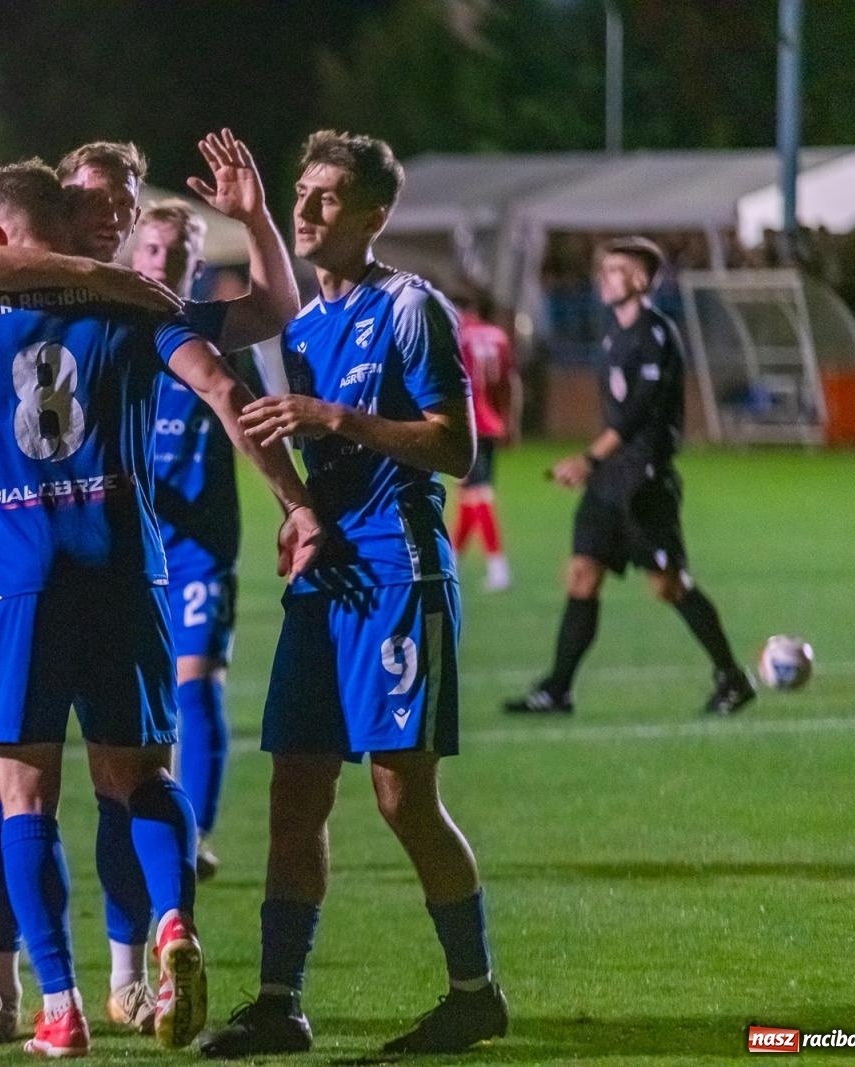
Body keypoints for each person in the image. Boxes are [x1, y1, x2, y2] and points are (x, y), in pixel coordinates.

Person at [0, 159, 322, 1058]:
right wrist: (297, 501)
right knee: (139, 778)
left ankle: (61, 1004)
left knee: (22, 796)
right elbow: (224, 389)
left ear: (1, 232)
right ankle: (171, 925)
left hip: (19, 582)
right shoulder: (135, 303)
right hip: (127, 573)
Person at [199, 130, 508, 1058]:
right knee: (295, 791)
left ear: (374, 216)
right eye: (301, 193)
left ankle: (474, 991)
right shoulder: (303, 327)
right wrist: (294, 509)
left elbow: (458, 450)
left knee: (401, 796)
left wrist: (337, 418)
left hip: (397, 573)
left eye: (326, 197)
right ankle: (280, 1001)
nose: (307, 209)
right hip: (321, 583)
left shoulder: (412, 307)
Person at [504, 236, 755, 716]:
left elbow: (637, 414)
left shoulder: (655, 334)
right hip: (610, 482)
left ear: (640, 280)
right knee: (582, 573)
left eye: (615, 270)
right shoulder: (612, 332)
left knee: (668, 584)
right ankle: (557, 689)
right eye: (603, 269)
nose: (604, 277)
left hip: (644, 481)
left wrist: (589, 459)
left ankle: (732, 677)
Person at [452, 288, 521, 592]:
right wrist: (509, 420)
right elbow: (509, 382)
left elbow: (455, 385)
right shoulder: (498, 336)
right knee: (470, 494)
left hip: (468, 425)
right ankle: (452, 561)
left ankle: (498, 567)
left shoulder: (458, 336)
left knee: (478, 494)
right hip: (492, 423)